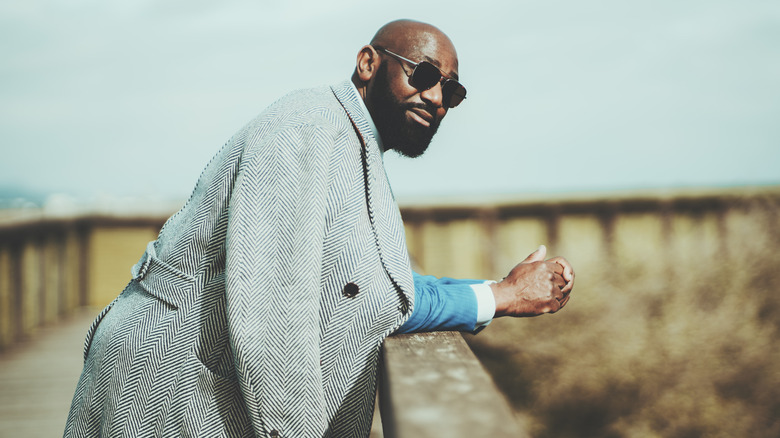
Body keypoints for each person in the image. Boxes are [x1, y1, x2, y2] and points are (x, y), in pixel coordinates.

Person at [64, 19, 574, 438]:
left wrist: (498, 293)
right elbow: (273, 318)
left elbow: (376, 291)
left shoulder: (350, 142)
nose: (437, 97)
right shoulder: (306, 130)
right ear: (368, 63)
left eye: (451, 90)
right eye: (423, 75)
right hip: (166, 392)